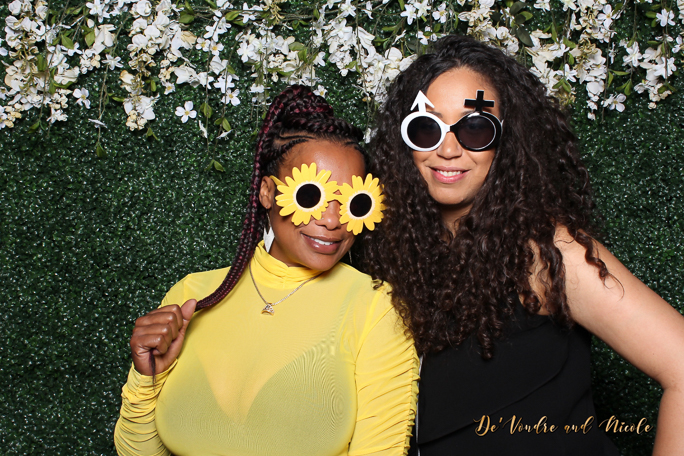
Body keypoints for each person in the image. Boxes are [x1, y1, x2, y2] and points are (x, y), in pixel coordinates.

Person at [362, 35, 684, 455]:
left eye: (475, 128)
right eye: (427, 127)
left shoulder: (549, 253)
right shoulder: (405, 254)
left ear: (507, 143)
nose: (447, 149)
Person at [114, 85, 419, 456]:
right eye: (312, 196)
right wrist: (147, 378)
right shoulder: (195, 294)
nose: (333, 221)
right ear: (266, 193)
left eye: (353, 202)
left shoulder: (375, 307)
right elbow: (139, 452)